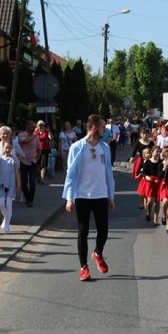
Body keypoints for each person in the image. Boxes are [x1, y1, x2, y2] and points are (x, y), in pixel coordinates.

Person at [62, 114, 115, 282]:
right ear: (94, 128)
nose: (104, 129)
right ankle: (83, 267)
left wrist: (111, 196)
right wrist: (69, 198)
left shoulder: (104, 148)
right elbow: (70, 175)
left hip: (100, 194)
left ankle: (97, 253)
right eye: (102, 127)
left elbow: (108, 173)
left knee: (104, 230)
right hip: (82, 196)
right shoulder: (77, 147)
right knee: (83, 231)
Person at [17, 120, 40, 207]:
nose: (33, 128)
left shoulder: (36, 137)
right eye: (32, 126)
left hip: (33, 161)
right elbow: (24, 142)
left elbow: (39, 148)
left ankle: (30, 200)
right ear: (27, 126)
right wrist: (34, 135)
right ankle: (27, 197)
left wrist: (37, 158)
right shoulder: (21, 135)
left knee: (32, 181)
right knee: (24, 182)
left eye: (34, 126)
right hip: (23, 161)